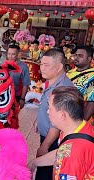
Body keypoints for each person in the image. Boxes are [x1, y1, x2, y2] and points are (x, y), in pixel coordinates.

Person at [28, 86, 94, 179]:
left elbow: (69, 154)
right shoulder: (80, 127)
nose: (47, 112)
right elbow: (62, 152)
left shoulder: (73, 156)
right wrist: (34, 163)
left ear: (62, 115)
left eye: (50, 108)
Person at [35, 48, 75, 180]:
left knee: (46, 174)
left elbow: (57, 124)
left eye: (46, 65)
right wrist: (39, 120)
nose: (42, 68)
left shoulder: (62, 88)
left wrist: (45, 146)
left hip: (54, 141)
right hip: (48, 136)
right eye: (41, 64)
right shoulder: (54, 81)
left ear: (59, 67)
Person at [66, 45, 94, 123]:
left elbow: (91, 102)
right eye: (76, 55)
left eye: (80, 56)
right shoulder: (70, 72)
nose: (76, 58)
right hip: (65, 114)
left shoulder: (92, 76)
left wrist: (81, 123)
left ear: (89, 59)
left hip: (78, 118)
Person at [6, 42, 31, 108]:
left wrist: (22, 98)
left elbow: (26, 84)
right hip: (4, 94)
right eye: (9, 54)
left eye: (13, 54)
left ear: (17, 54)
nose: (10, 56)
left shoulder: (23, 67)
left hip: (16, 96)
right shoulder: (5, 64)